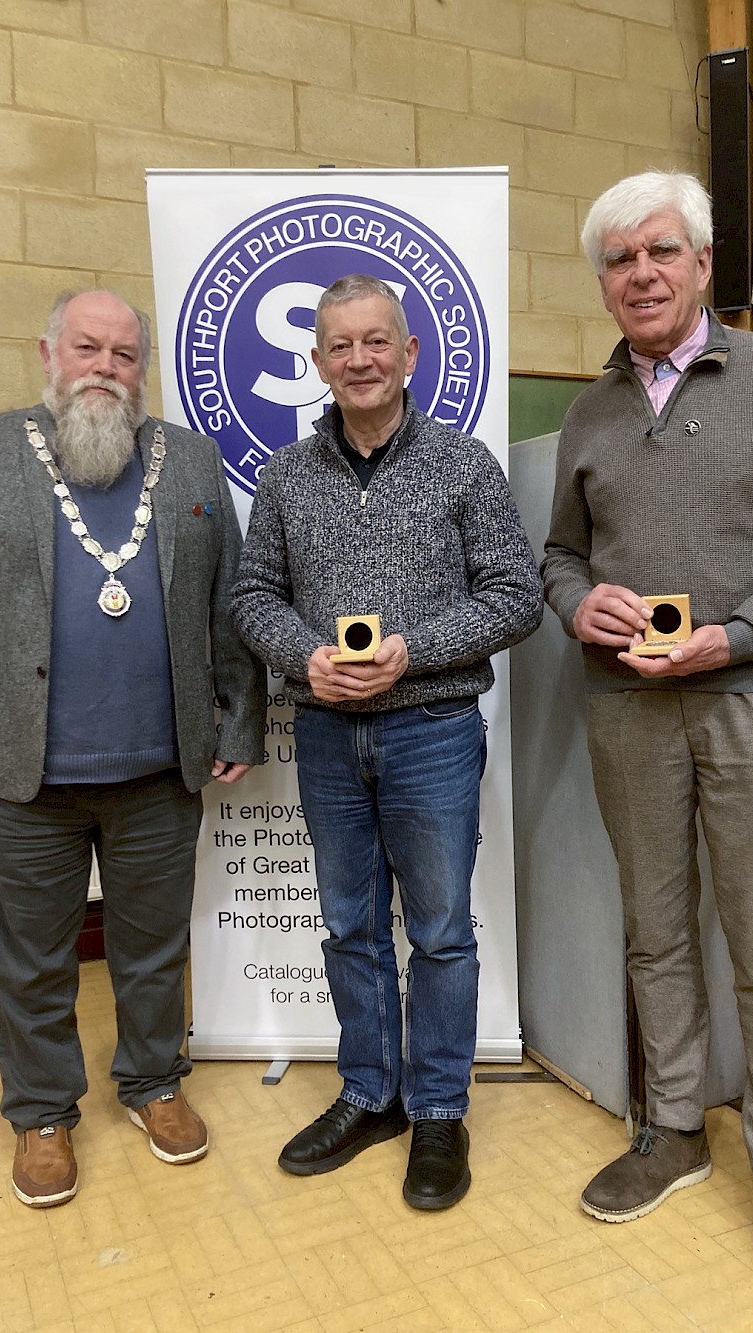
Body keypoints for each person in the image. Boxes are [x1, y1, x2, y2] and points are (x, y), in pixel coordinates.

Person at [541, 171, 753, 1312]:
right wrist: (573, 601)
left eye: (659, 252)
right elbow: (560, 555)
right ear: (602, 281)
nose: (639, 274)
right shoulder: (588, 413)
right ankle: (675, 1128)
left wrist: (735, 637)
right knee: (654, 929)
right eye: (618, 260)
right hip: (625, 706)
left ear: (701, 263)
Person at [0, 289, 266, 1208]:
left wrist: (240, 717)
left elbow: (233, 605)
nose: (106, 367)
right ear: (48, 353)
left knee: (149, 948)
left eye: (125, 354)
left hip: (159, 772)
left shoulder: (192, 458)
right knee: (31, 958)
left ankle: (151, 1082)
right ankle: (42, 1109)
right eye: (87, 348)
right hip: (22, 776)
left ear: (144, 369)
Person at [232, 274, 542, 1210]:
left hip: (434, 730)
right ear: (316, 361)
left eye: (378, 342)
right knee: (349, 925)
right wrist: (302, 659)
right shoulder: (287, 476)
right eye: (340, 345)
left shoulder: (465, 466)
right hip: (327, 733)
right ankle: (371, 1095)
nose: (359, 359)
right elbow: (253, 597)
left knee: (441, 932)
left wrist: (413, 653)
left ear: (410, 355)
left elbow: (516, 595)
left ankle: (439, 1110)